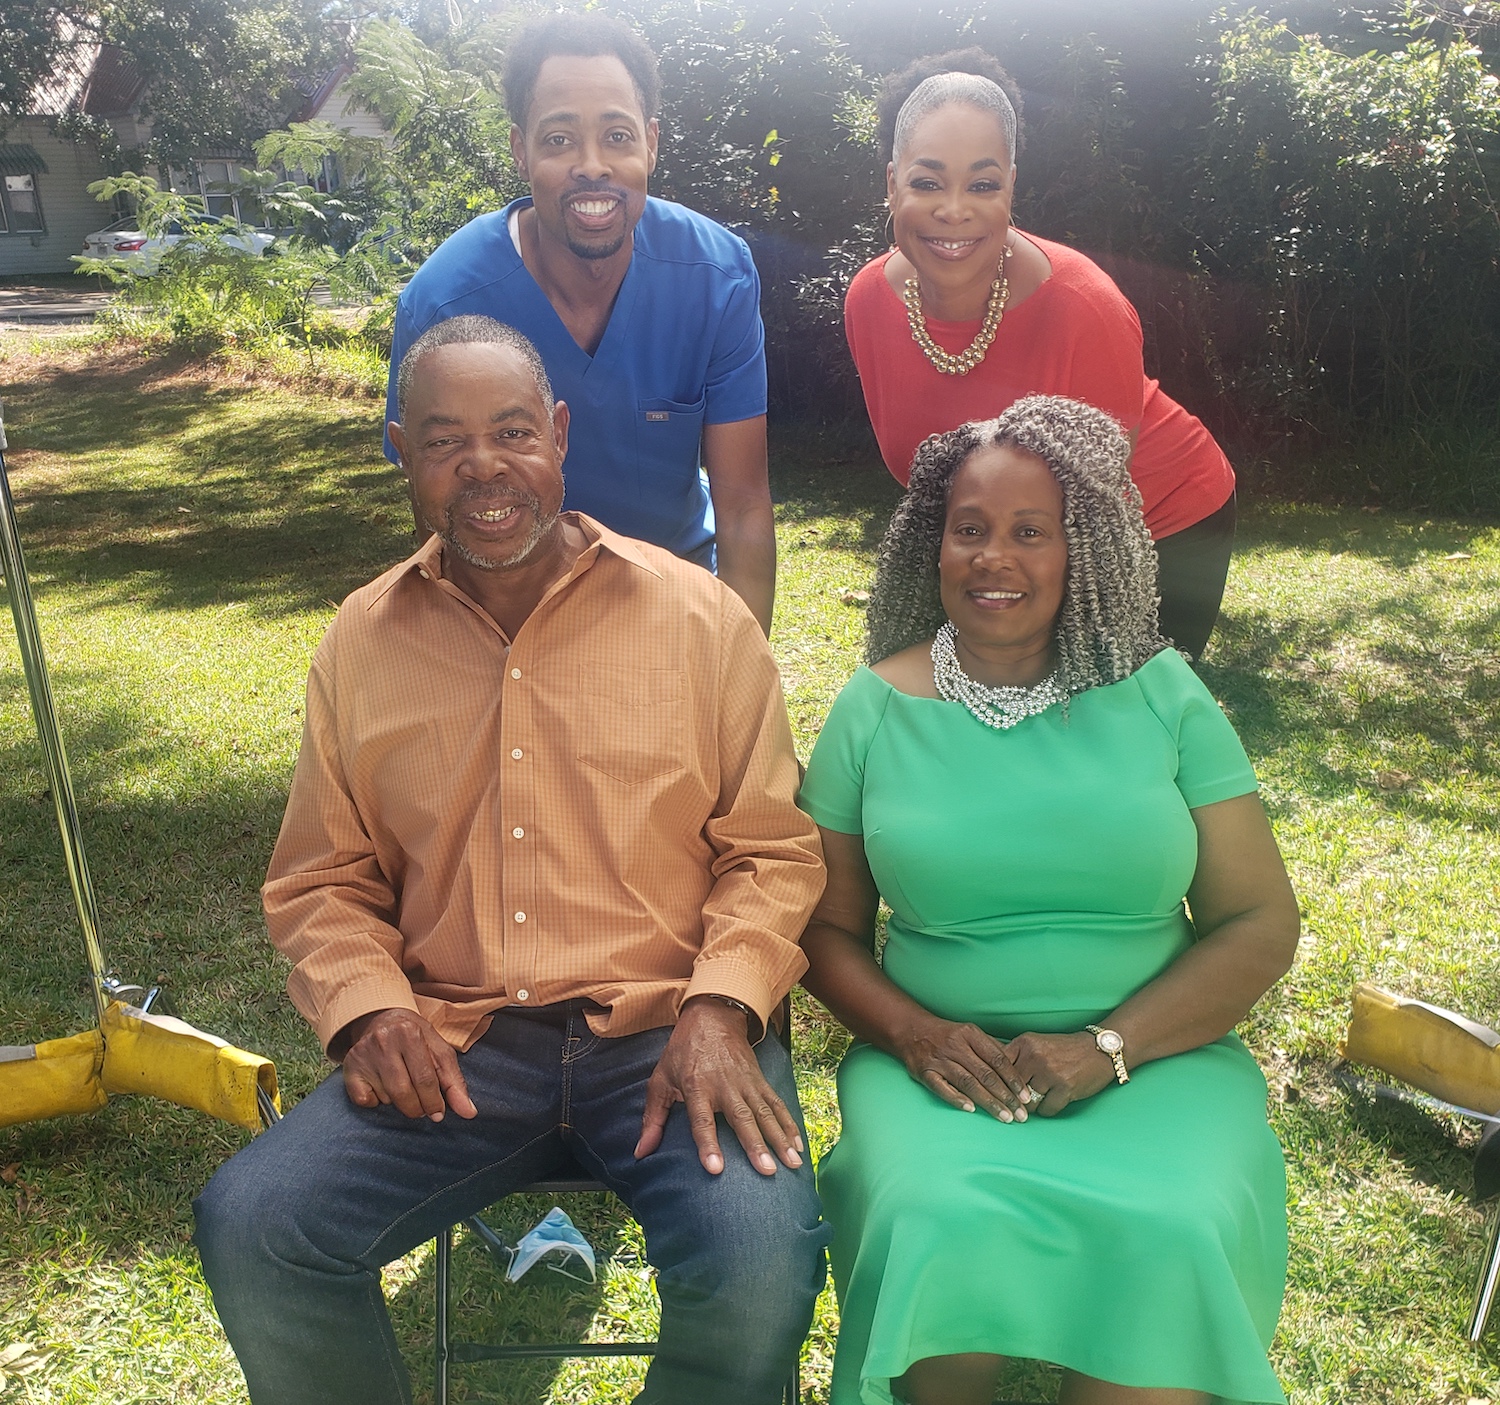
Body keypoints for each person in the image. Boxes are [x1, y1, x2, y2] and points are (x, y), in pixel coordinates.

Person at [194, 316, 827, 1405]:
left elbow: (771, 847)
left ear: (562, 436)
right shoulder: (362, 637)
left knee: (761, 1260)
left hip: (673, 1034)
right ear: (401, 450)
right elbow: (321, 878)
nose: (483, 467)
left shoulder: (697, 617)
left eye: (513, 431)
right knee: (254, 1223)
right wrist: (367, 1010)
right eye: (444, 440)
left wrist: (723, 1009)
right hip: (457, 1048)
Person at [797, 395, 1299, 1405]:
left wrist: (1109, 1046)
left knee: (1174, 1225)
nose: (995, 558)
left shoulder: (1163, 695)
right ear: (930, 543)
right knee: (936, 1216)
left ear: (1087, 550)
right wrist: (918, 1035)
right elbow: (823, 929)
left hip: (1160, 1061)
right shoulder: (872, 707)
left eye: (1032, 532)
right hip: (941, 1071)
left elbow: (1261, 922)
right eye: (969, 529)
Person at [384, 13, 777, 633]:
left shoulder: (715, 275)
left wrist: (744, 672)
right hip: (513, 620)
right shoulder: (448, 303)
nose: (592, 165)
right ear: (520, 150)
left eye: (617, 136)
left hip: (675, 602)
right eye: (559, 139)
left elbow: (744, 504)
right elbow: (437, 519)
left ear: (651, 142)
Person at [843, 49, 1238, 659]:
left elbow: (1098, 522)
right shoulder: (870, 300)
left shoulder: (1084, 307)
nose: (954, 209)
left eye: (982, 183)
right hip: (1004, 542)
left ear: (1011, 186)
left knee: (1111, 726)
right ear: (891, 182)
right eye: (927, 182)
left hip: (1152, 520)